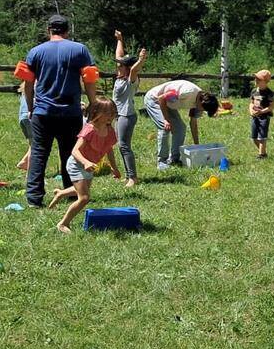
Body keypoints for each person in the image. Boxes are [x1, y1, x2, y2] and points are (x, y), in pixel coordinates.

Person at [14, 15, 99, 208]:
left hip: (42, 112)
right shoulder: (80, 50)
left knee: (38, 153)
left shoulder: (35, 52)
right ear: (67, 31)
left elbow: (28, 85)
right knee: (70, 154)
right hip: (70, 112)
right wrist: (93, 102)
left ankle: (34, 199)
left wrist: (30, 108)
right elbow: (89, 80)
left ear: (48, 30)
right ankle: (73, 192)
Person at [49, 98, 120, 233]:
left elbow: (109, 149)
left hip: (89, 166)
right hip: (77, 164)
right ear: (96, 113)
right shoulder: (89, 130)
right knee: (84, 198)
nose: (111, 116)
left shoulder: (110, 131)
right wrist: (85, 162)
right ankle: (63, 224)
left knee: (82, 190)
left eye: (113, 113)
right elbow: (75, 151)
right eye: (108, 113)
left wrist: (114, 167)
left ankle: (60, 193)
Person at [143, 79, 219, 169]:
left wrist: (197, 147)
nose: (202, 111)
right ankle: (162, 161)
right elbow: (161, 98)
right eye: (203, 109)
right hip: (154, 99)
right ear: (201, 102)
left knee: (180, 128)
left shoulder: (201, 103)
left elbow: (193, 124)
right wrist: (166, 120)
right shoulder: (186, 92)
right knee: (165, 128)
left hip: (168, 104)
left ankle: (174, 159)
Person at [112, 30, 147, 187]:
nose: (119, 66)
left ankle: (133, 178)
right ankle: (129, 176)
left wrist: (141, 60)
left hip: (126, 116)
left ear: (127, 68)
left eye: (122, 65)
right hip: (119, 116)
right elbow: (119, 56)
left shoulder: (131, 80)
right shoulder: (121, 76)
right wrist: (120, 40)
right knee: (121, 145)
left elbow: (134, 69)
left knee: (124, 145)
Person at [249, 69, 274, 158]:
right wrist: (251, 111)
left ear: (265, 82)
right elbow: (251, 103)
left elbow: (272, 106)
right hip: (255, 117)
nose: (256, 80)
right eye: (255, 78)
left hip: (264, 117)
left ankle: (261, 155)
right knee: (254, 137)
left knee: (262, 137)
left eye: (259, 79)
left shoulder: (268, 93)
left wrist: (262, 111)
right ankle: (263, 152)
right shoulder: (254, 91)